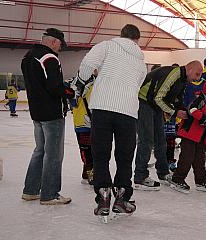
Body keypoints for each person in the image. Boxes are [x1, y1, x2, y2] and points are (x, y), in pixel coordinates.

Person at [77, 24, 146, 218]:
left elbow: (88, 65)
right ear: (137, 40)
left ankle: (103, 194)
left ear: (121, 35)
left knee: (101, 154)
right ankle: (123, 197)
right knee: (124, 156)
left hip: (102, 107)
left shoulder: (106, 46)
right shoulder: (141, 60)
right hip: (128, 111)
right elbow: (138, 83)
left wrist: (82, 81)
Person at [21, 28, 74, 205]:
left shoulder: (28, 56)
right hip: (52, 113)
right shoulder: (49, 58)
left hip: (37, 112)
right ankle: (50, 194)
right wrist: (70, 92)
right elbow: (55, 87)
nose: (60, 48)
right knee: (53, 154)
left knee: (40, 151)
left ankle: (31, 190)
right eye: (60, 44)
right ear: (53, 41)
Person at [134, 60, 203, 191]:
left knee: (161, 140)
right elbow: (158, 98)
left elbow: (177, 99)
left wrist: (183, 110)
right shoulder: (174, 74)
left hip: (154, 106)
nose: (197, 78)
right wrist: (175, 112)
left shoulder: (183, 80)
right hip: (144, 103)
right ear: (189, 69)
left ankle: (163, 173)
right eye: (197, 74)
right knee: (146, 140)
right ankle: (140, 176)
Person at [169, 80, 206, 193]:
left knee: (200, 160)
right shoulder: (200, 100)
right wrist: (201, 117)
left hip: (200, 137)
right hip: (190, 135)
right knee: (186, 158)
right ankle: (177, 179)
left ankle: (201, 181)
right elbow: (192, 109)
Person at [68, 70, 98, 185]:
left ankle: (86, 173)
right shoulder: (80, 82)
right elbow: (73, 101)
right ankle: (90, 173)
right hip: (83, 121)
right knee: (86, 149)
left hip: (92, 121)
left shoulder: (96, 81)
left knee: (93, 148)